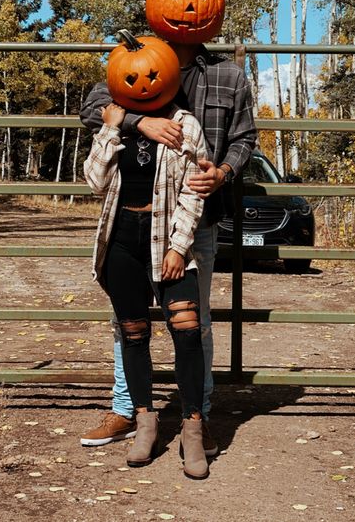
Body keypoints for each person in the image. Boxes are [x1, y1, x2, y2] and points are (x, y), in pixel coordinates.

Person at [80, 40, 257, 455]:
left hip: (193, 221)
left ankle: (200, 420)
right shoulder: (135, 57)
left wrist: (224, 172)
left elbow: (246, 138)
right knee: (129, 326)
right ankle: (131, 412)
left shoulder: (225, 77)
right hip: (125, 228)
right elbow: (94, 111)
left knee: (194, 325)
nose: (188, 13)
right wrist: (138, 123)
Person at [83, 47, 211, 477]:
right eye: (132, 78)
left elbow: (194, 192)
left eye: (152, 77)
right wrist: (111, 130)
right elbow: (95, 181)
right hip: (120, 240)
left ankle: (193, 428)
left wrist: (178, 247)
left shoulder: (184, 126)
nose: (143, 84)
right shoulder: (114, 120)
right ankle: (145, 423)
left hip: (165, 240)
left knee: (188, 330)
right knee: (133, 333)